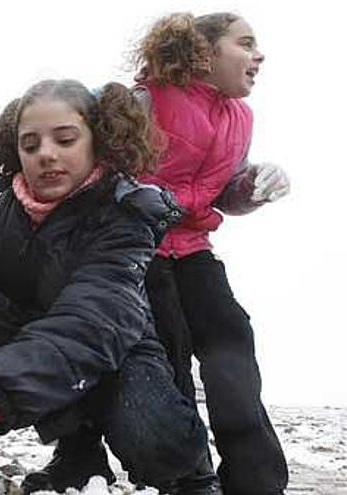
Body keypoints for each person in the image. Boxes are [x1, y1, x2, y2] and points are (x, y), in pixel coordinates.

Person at [0, 79, 217, 493]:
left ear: (99, 140)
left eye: (64, 139)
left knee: (150, 434)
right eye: (30, 145)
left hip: (117, 350)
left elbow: (91, 321)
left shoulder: (125, 214)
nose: (46, 154)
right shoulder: (9, 209)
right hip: (46, 345)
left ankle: (193, 475)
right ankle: (79, 456)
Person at [133, 13, 289, 494]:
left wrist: (254, 188)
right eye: (245, 44)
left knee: (232, 343)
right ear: (203, 52)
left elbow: (225, 192)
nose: (258, 55)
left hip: (196, 249)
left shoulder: (241, 117)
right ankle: (189, 478)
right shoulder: (146, 99)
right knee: (170, 355)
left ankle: (256, 480)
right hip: (140, 249)